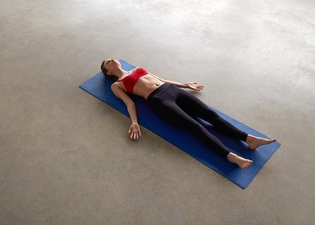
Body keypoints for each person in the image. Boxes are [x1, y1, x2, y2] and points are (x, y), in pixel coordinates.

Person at [100, 59, 276, 169]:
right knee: (196, 126)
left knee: (210, 115)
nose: (111, 60)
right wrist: (134, 122)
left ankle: (249, 139)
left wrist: (185, 85)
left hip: (171, 90)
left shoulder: (137, 68)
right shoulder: (116, 85)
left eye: (111, 59)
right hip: (159, 101)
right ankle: (230, 156)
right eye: (108, 62)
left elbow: (160, 79)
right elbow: (129, 102)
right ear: (108, 72)